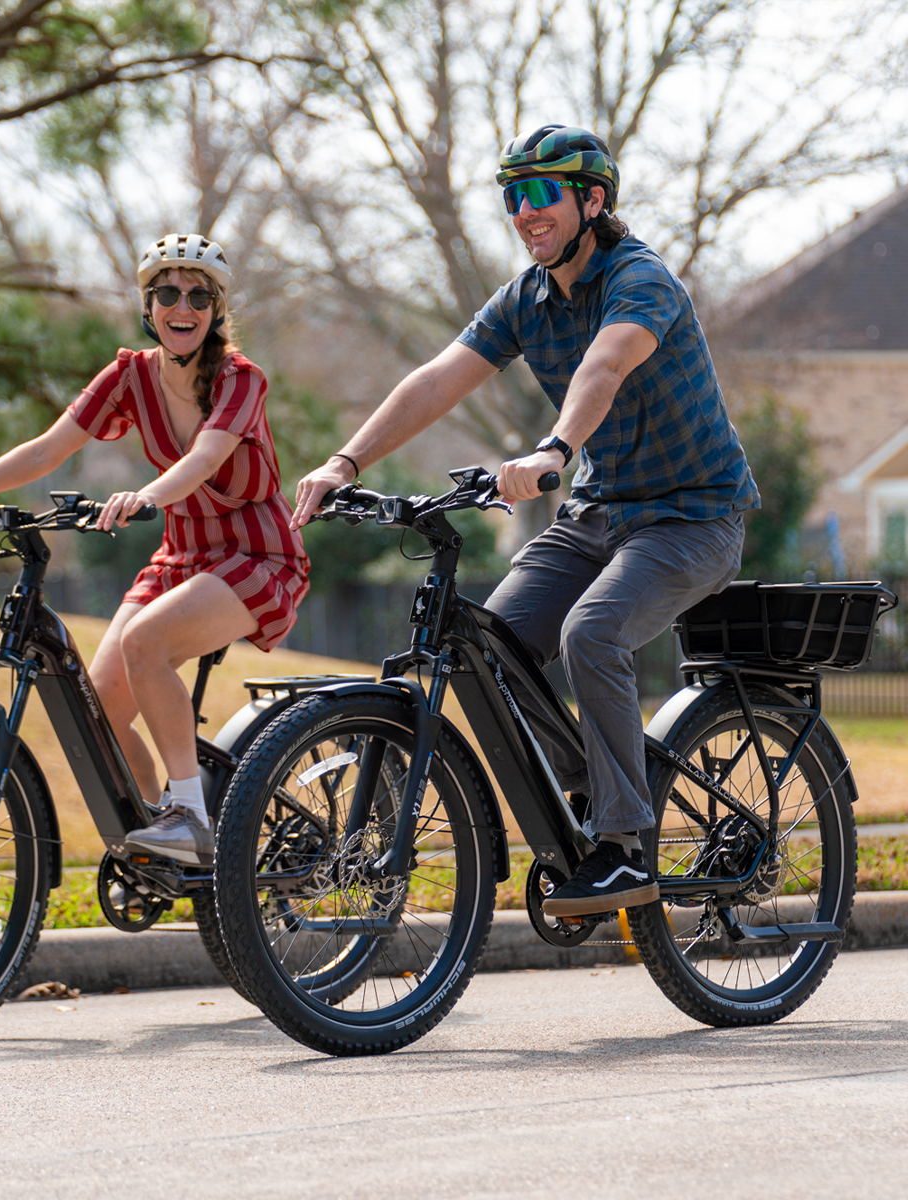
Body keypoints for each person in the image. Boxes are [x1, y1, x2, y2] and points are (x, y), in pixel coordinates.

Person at [292, 125, 759, 918]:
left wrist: (554, 447)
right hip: (600, 515)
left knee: (592, 633)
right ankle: (595, 792)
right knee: (492, 650)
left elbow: (604, 365)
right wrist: (346, 462)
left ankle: (622, 847)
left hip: (694, 517)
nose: (526, 211)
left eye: (545, 192)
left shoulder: (639, 277)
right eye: (514, 196)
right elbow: (439, 378)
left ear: (593, 200)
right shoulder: (526, 298)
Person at [0, 233, 309, 866]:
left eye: (200, 295)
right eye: (168, 292)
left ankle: (192, 819)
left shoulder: (240, 379)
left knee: (147, 643)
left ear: (216, 310)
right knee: (100, 710)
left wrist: (144, 497)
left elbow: (203, 459)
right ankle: (166, 839)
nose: (184, 305)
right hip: (180, 557)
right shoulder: (129, 375)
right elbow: (46, 449)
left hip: (257, 556)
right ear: (149, 305)